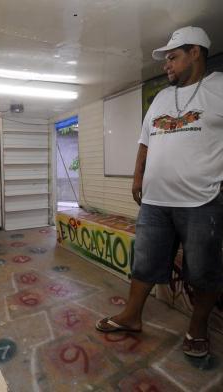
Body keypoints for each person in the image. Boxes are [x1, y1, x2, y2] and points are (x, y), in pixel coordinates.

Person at [95, 26, 223, 358]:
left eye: (172, 57)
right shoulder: (163, 98)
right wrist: (137, 179)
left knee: (203, 269)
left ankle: (197, 327)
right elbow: (145, 141)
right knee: (145, 262)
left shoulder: (220, 87)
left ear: (195, 53)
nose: (166, 65)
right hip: (154, 201)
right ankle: (132, 316)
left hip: (202, 200)